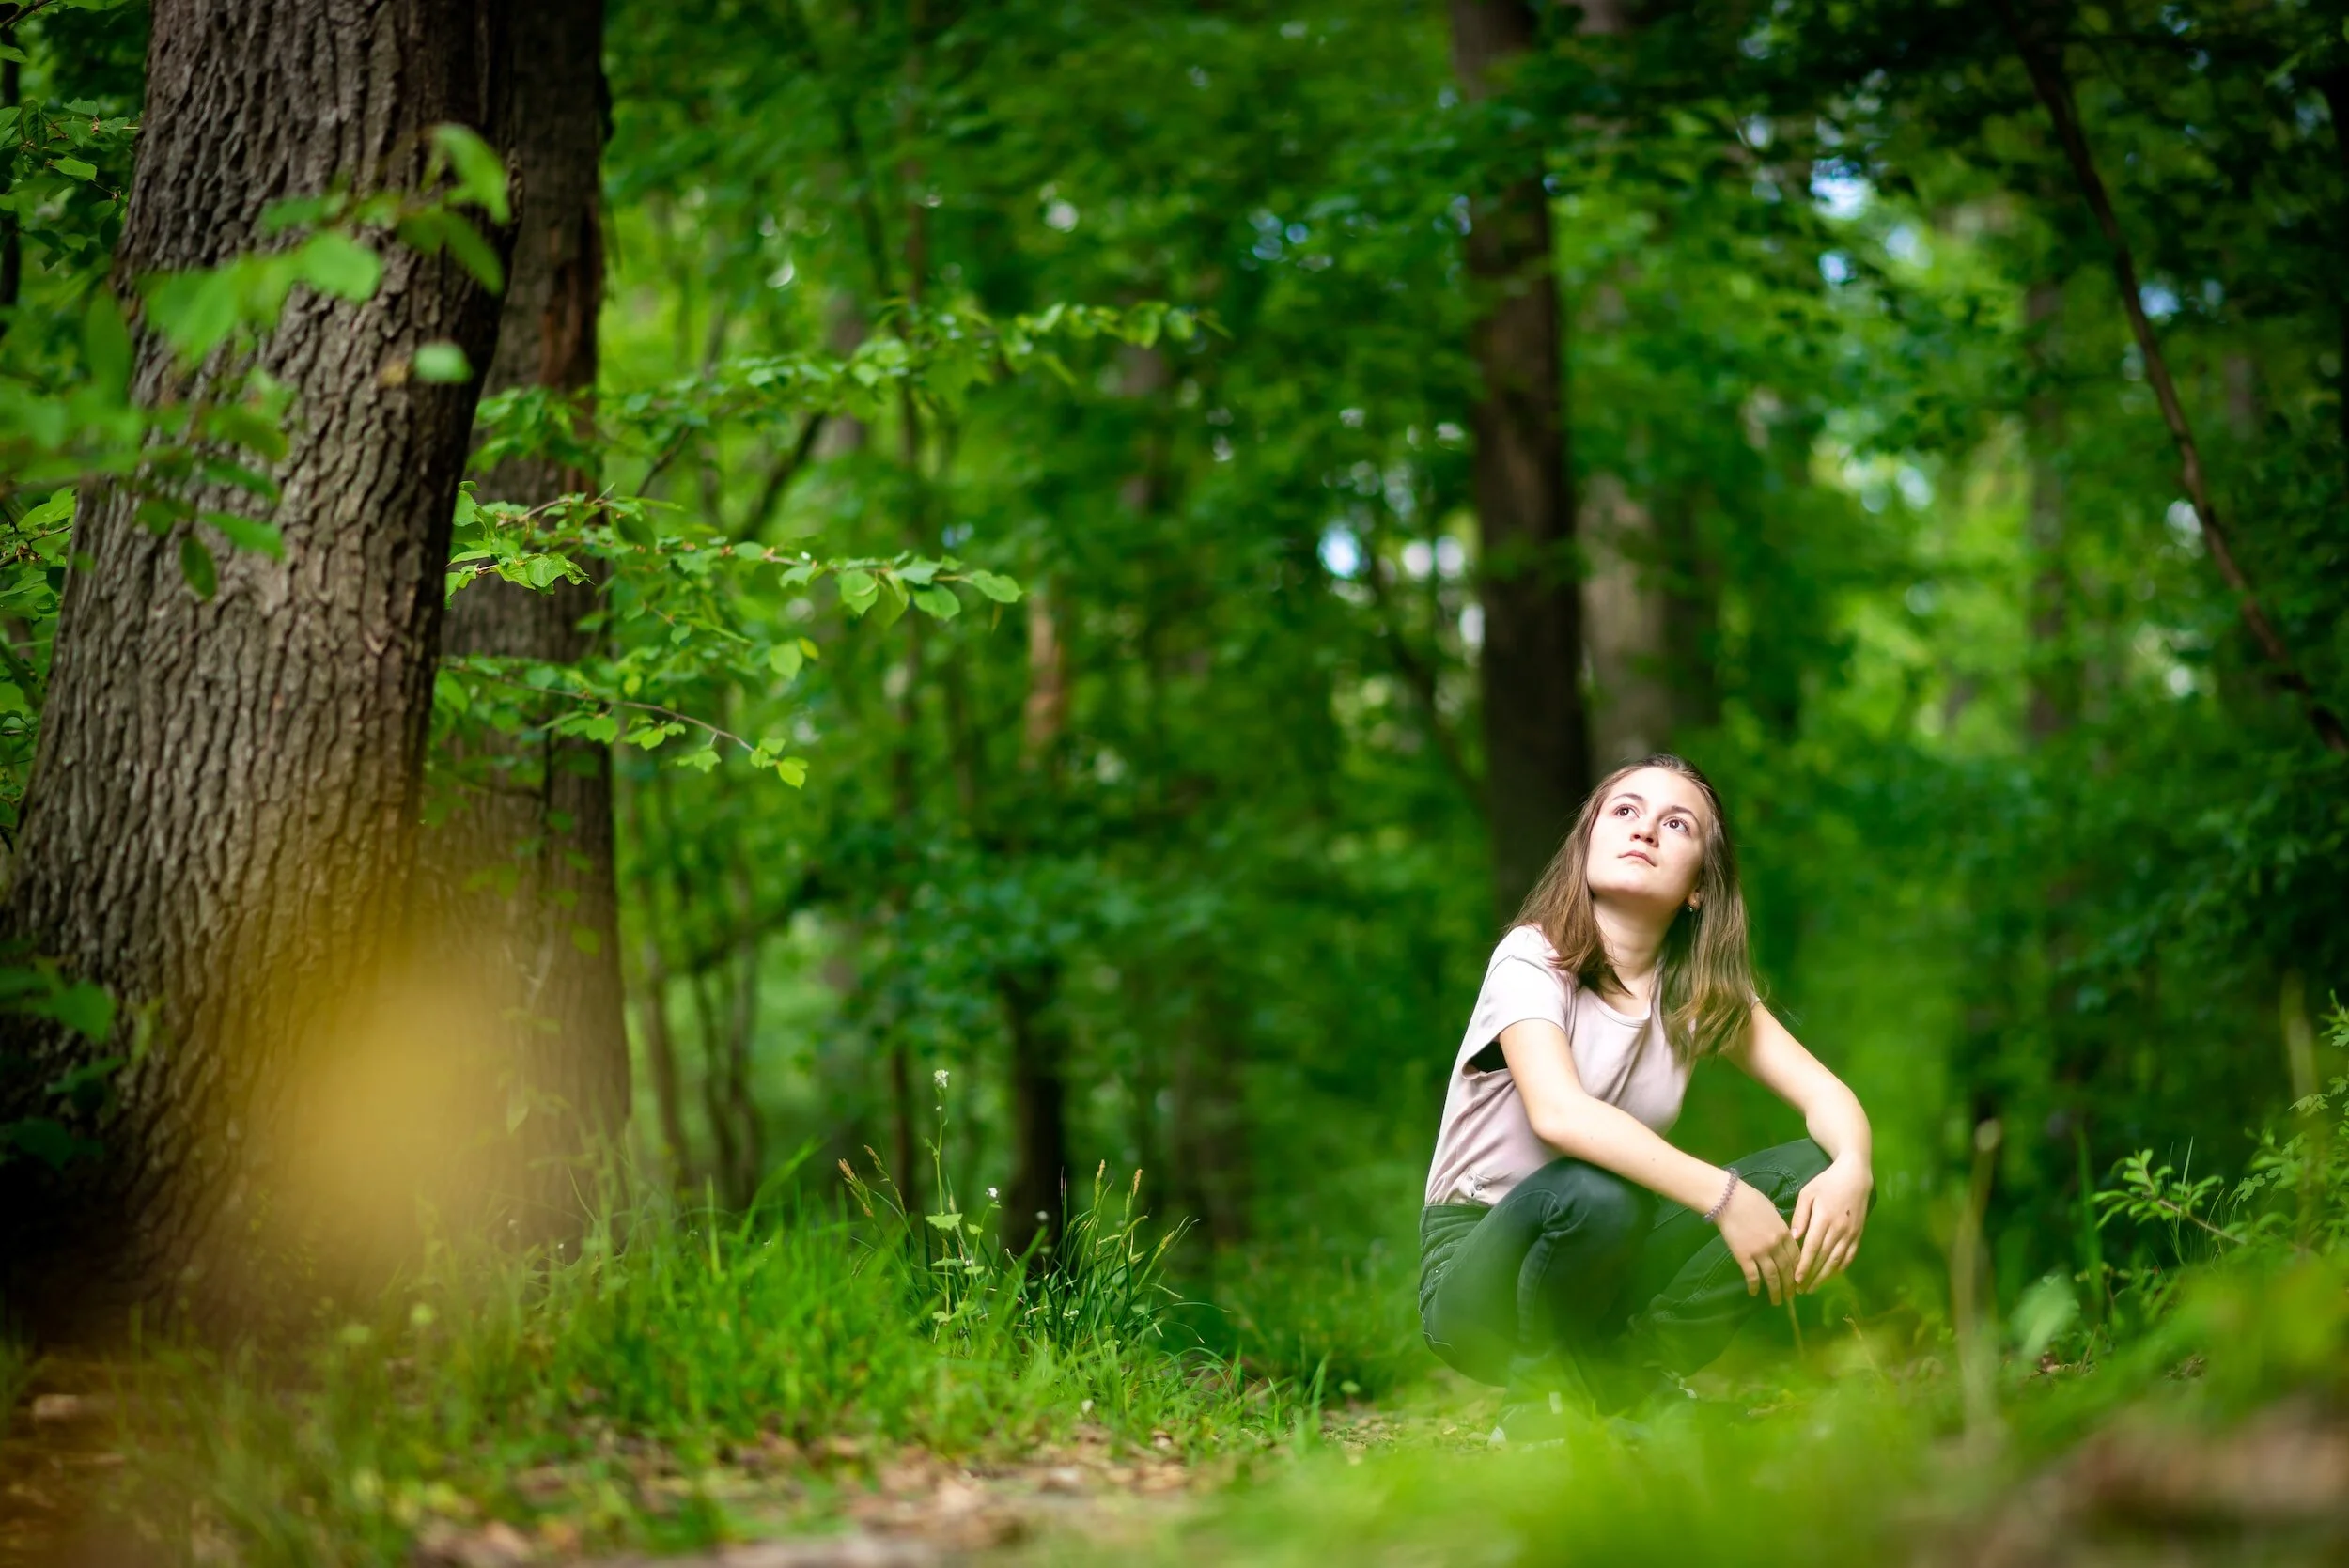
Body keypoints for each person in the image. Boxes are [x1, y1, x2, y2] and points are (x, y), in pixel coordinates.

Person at [1419, 753, 1875, 1442]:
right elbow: (1560, 1113)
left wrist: (1856, 1167)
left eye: (1676, 823)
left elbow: (1826, 1095)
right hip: (1477, 1271)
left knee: (1817, 1171)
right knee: (1597, 1190)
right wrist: (1725, 1195)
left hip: (1611, 1257)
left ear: (1698, 886)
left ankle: (1629, 1370)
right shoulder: (1531, 958)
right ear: (1589, 842)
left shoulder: (1696, 992)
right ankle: (1538, 1401)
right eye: (1625, 810)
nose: (1645, 830)